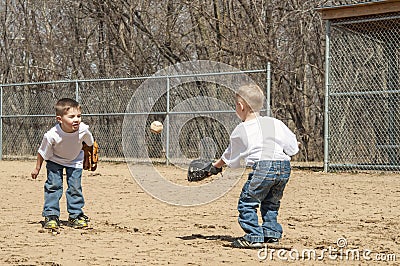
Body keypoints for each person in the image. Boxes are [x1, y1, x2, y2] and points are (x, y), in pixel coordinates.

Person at [212, 84, 299, 249]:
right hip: (284, 167)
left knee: (247, 202)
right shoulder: (275, 123)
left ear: (241, 106)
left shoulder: (242, 129)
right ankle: (271, 232)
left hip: (263, 167)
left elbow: (230, 155)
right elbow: (292, 147)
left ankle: (253, 236)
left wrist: (215, 167)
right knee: (271, 202)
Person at [31, 98, 94, 230]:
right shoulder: (51, 135)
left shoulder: (83, 130)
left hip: (75, 161)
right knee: (53, 186)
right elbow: (42, 152)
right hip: (55, 160)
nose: (76, 119)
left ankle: (75, 216)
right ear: (60, 119)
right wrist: (37, 168)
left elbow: (90, 144)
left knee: (75, 188)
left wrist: (88, 158)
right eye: (71, 116)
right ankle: (51, 215)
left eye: (79, 116)